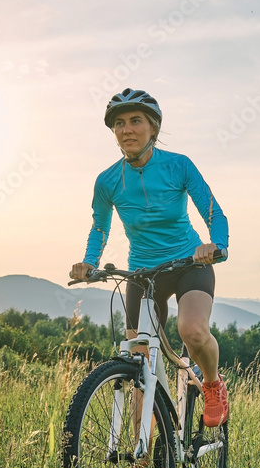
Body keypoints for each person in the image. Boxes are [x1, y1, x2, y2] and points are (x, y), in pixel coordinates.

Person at [69, 87, 230, 443]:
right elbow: (100, 226)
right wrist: (89, 263)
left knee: (192, 330)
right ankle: (142, 461)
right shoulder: (108, 180)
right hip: (142, 273)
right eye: (119, 124)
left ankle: (212, 383)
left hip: (190, 263)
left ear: (153, 128)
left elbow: (213, 212)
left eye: (135, 121)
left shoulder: (178, 166)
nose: (127, 129)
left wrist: (216, 245)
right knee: (139, 362)